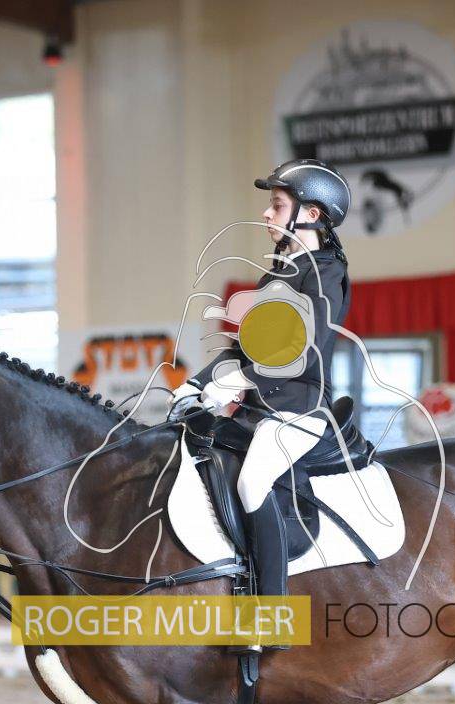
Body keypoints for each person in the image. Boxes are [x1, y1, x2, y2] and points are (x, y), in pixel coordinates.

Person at [169, 158, 352, 647]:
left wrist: (241, 380)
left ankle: (269, 615)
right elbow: (244, 346)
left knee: (253, 482)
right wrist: (196, 384)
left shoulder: (326, 273)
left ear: (310, 214)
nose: (266, 214)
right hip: (258, 411)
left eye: (277, 205)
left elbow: (305, 351)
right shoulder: (277, 274)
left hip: (299, 410)